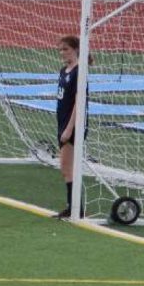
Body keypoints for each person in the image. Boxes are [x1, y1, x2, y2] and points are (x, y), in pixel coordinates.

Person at [53, 35, 88, 219]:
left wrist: (69, 128)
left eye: (65, 49)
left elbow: (78, 102)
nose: (62, 53)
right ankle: (73, 207)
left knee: (67, 167)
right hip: (63, 122)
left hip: (72, 126)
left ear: (75, 49)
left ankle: (75, 208)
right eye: (60, 49)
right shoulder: (64, 70)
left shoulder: (79, 72)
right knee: (66, 168)